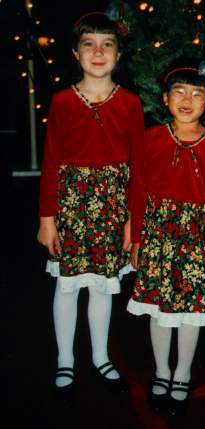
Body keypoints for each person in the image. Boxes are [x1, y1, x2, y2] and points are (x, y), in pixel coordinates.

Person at [37, 11, 145, 397]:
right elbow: (50, 163)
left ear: (118, 54)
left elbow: (138, 167)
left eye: (107, 45)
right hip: (71, 205)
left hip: (113, 206)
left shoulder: (130, 103)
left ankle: (100, 355)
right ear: (76, 52)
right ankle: (65, 357)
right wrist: (47, 218)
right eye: (89, 44)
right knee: (66, 286)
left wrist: (134, 220)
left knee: (102, 286)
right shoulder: (63, 101)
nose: (98, 52)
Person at [127, 57, 205, 416]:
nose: (187, 100)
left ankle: (182, 374)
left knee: (190, 313)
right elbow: (138, 189)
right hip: (158, 233)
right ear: (166, 99)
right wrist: (137, 239)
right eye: (179, 92)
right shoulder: (152, 138)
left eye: (197, 94)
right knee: (159, 310)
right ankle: (161, 371)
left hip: (198, 238)